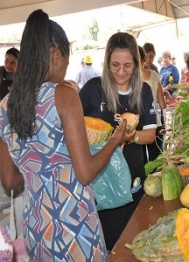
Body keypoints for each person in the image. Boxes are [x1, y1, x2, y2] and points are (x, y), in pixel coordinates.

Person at [0, 9, 128, 261]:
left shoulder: (4, 106)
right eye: (67, 62)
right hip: (75, 226)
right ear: (57, 55)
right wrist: (115, 140)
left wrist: (40, 174)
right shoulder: (63, 96)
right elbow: (85, 172)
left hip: (37, 226)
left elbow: (10, 181)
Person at [79, 32, 157, 251]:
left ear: (136, 64)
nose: (121, 72)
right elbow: (73, 129)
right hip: (100, 179)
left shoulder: (144, 91)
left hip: (133, 174)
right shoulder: (93, 89)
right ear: (106, 62)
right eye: (115, 65)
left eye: (127, 66)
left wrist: (131, 137)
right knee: (108, 240)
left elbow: (150, 135)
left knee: (134, 236)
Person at [139, 46, 167, 163]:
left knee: (140, 157)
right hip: (155, 118)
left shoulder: (128, 80)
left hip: (138, 121)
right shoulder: (155, 75)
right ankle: (156, 176)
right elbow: (162, 104)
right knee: (156, 155)